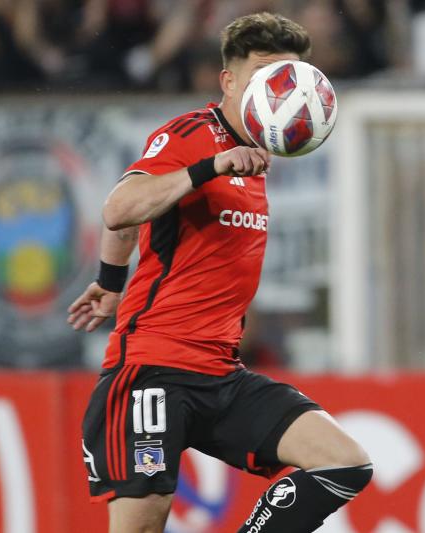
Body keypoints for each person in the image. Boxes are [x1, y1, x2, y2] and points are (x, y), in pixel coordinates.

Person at [68, 12, 372, 533]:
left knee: (345, 462)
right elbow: (121, 206)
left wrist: (112, 281)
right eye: (266, 77)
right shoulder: (191, 136)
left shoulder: (260, 154)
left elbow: (129, 224)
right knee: (142, 526)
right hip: (152, 371)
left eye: (289, 79)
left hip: (220, 374)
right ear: (228, 82)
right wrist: (212, 166)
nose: (282, 93)